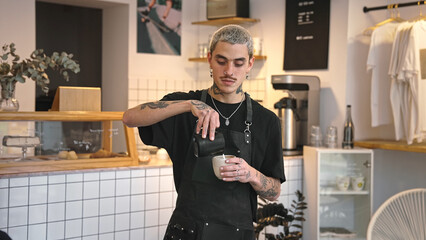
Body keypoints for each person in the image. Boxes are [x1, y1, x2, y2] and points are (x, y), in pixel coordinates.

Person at [123, 24, 285, 240]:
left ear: (250, 64)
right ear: (209, 59)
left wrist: (250, 174)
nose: (229, 71)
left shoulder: (266, 121)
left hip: (238, 234)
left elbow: (273, 192)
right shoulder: (185, 107)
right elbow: (129, 118)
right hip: (187, 232)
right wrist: (187, 104)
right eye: (221, 61)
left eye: (238, 63)